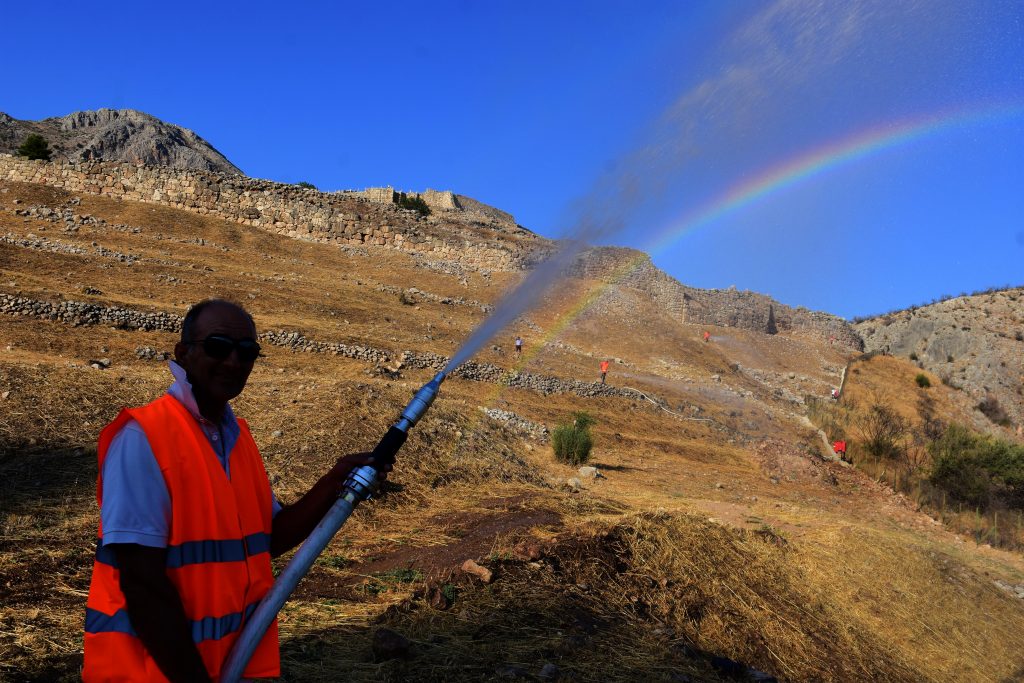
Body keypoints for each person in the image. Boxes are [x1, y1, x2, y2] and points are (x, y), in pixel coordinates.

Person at [83, 299, 387, 682]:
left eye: (247, 352)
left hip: (227, 665)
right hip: (153, 672)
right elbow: (142, 581)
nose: (232, 362)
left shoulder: (237, 439)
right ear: (183, 352)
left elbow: (267, 540)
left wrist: (334, 480)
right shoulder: (143, 438)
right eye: (217, 346)